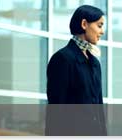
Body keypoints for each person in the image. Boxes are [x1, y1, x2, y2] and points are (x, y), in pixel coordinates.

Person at [45, 5, 106, 135]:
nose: (102, 32)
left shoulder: (95, 63)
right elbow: (56, 111)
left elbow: (99, 109)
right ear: (84, 24)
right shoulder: (62, 59)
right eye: (99, 26)